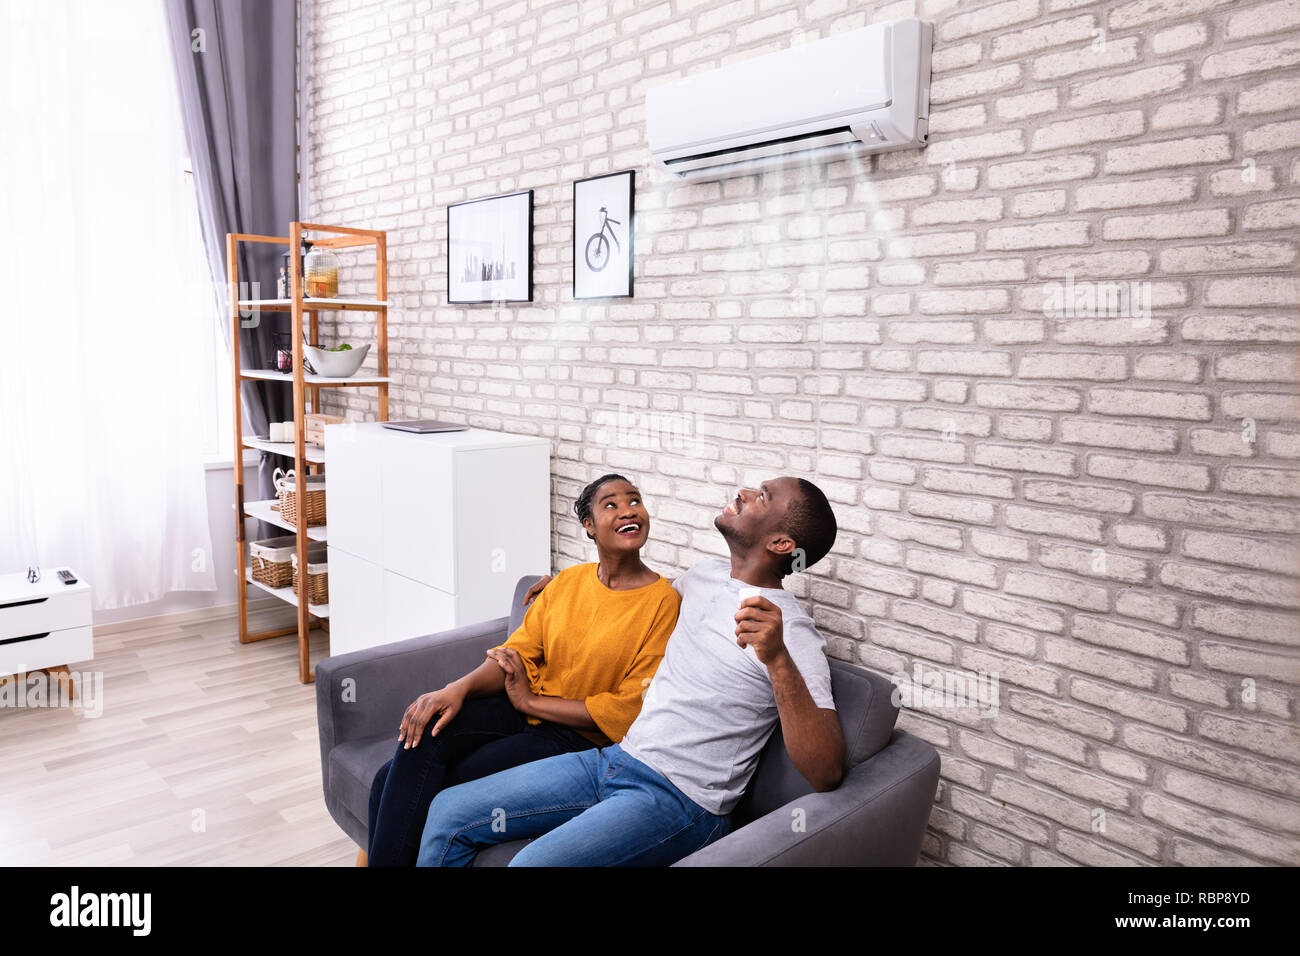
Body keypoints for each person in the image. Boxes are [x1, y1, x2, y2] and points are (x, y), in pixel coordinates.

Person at [415, 476, 842, 867]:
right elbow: (632, 594)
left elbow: (826, 771)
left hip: (681, 800)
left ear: (783, 544)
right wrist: (572, 586)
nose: (744, 493)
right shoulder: (703, 577)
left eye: (761, 496)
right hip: (616, 759)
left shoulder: (792, 633)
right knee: (447, 811)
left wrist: (778, 659)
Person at [364, 473, 679, 866]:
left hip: (575, 738)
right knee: (424, 733)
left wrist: (530, 702)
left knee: (402, 782)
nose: (627, 511)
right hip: (520, 708)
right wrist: (455, 690)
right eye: (610, 504)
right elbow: (516, 654)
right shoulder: (568, 582)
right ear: (589, 526)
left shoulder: (663, 601)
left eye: (634, 501)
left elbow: (626, 710)